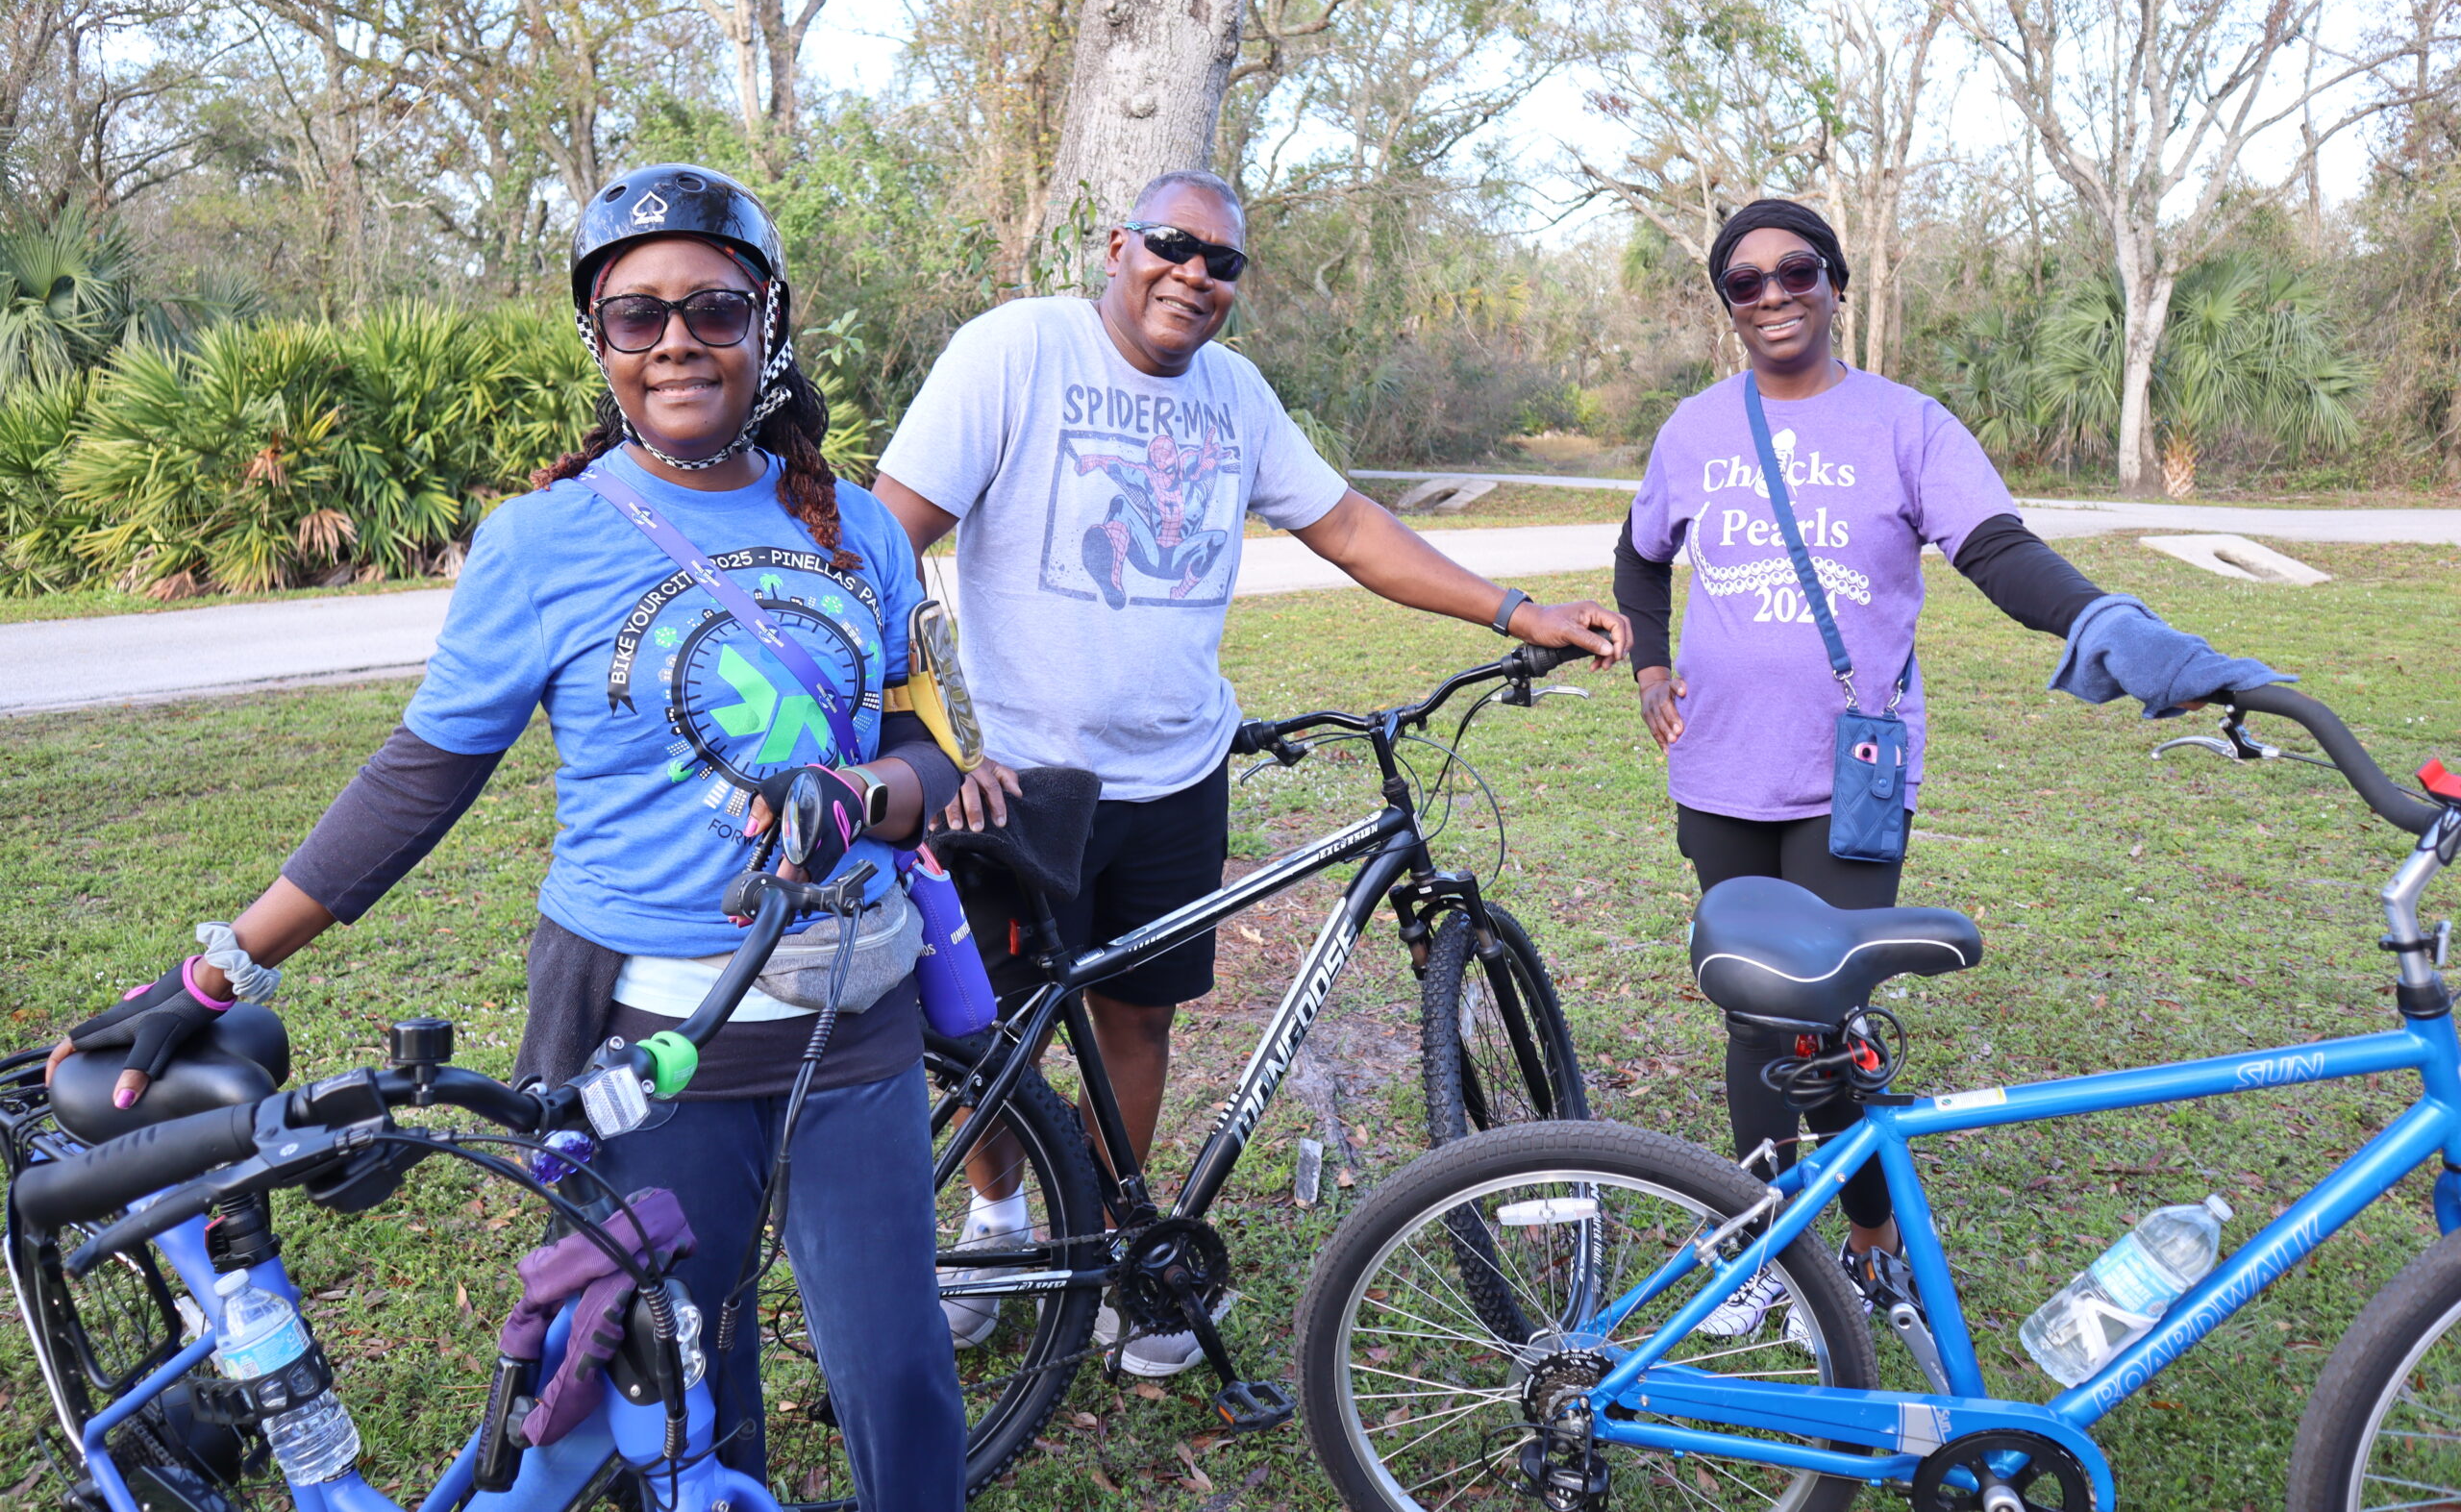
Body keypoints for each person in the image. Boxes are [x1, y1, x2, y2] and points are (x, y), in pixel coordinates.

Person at [48, 163, 966, 1507]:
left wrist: (863, 794)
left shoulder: (865, 529)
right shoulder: (540, 540)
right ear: (596, 341)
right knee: (674, 1384)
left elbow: (932, 749)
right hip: (649, 1040)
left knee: (896, 1371)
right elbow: (422, 778)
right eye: (634, 317)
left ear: (769, 319)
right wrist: (221, 968)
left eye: (713, 308)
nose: (675, 345)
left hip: (851, 1017)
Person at [872, 168, 1630, 1375]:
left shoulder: (1234, 395)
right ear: (1116, 246)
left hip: (1174, 776)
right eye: (1173, 245)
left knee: (1138, 1020)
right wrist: (920, 739)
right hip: (1013, 782)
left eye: (1222, 261)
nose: (1195, 273)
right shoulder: (1015, 351)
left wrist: (1513, 609)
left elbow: (1347, 527)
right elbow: (881, 537)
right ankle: (999, 1221)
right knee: (991, 1037)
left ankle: (1122, 1251)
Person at [1616, 196, 2274, 1339]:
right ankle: (1765, 1240)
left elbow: (1997, 551)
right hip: (1716, 769)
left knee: (1827, 1020)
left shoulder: (1906, 424)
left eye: (1796, 271)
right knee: (1751, 1017)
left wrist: (2100, 620)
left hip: (1849, 776)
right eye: (1746, 282)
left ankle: (1870, 1242)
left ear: (1835, 284)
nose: (1772, 294)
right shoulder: (1691, 431)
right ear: (1727, 304)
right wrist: (1650, 668)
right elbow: (1636, 558)